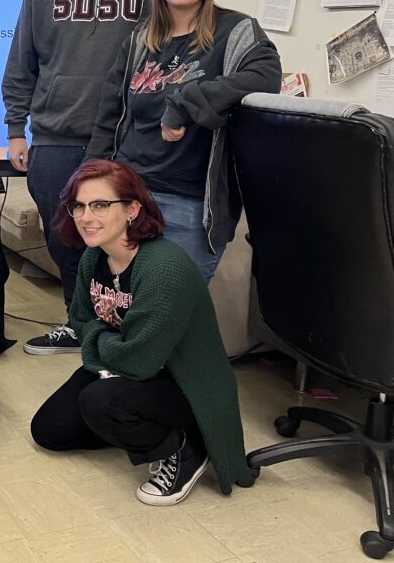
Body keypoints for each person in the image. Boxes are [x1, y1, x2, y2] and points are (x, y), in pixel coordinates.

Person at [30, 159, 255, 505]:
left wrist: (98, 342)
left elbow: (139, 360)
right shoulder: (95, 257)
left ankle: (187, 446)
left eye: (101, 205)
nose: (86, 217)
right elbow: (78, 318)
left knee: (99, 401)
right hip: (126, 364)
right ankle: (132, 422)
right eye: (78, 205)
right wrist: (106, 344)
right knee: (49, 430)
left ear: (133, 209)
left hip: (185, 384)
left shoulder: (163, 268)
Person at [2, 0, 155, 356]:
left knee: (127, 240)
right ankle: (77, 323)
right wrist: (15, 129)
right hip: (56, 135)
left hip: (125, 138)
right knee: (66, 238)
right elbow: (22, 60)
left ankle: (126, 332)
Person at [88, 0, 282, 281]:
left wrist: (182, 103)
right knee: (122, 303)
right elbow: (110, 116)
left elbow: (264, 77)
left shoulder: (236, 30)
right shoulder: (139, 40)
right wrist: (89, 184)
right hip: (127, 197)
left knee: (172, 312)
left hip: (189, 204)